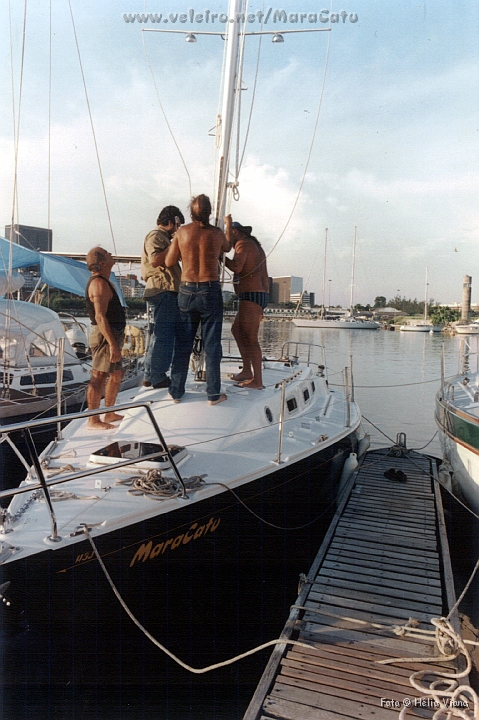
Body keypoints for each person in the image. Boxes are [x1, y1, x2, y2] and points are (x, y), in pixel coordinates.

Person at [165, 194, 230, 405]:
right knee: (212, 345)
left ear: (190, 213)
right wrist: (227, 225)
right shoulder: (217, 234)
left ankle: (176, 392)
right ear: (210, 212)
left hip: (186, 289)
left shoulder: (181, 232)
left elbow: (168, 261)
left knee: (183, 343)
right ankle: (213, 394)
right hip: (210, 289)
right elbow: (227, 248)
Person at [141, 205, 185, 389]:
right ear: (172, 221)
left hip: (165, 290)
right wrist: (175, 242)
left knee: (160, 334)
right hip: (163, 289)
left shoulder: (165, 238)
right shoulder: (156, 236)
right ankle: (158, 376)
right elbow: (156, 260)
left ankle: (150, 375)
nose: (179, 228)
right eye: (178, 224)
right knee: (165, 335)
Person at [224, 220, 269, 389]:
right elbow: (265, 277)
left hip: (251, 295)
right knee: (237, 329)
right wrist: (263, 304)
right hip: (258, 295)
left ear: (235, 233)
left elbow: (236, 266)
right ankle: (247, 370)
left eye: (228, 234)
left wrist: (220, 257)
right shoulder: (257, 247)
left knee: (251, 339)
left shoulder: (243, 244)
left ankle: (257, 380)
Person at [85, 246, 126, 429]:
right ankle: (93, 420)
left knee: (117, 374)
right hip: (104, 336)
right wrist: (112, 345)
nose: (111, 255)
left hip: (112, 334)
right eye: (108, 254)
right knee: (99, 376)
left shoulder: (104, 281)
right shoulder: (99, 284)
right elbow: (100, 317)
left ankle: (109, 413)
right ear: (102, 263)